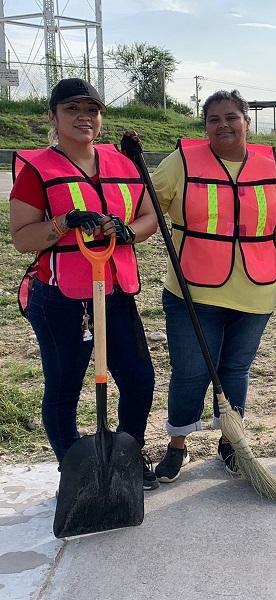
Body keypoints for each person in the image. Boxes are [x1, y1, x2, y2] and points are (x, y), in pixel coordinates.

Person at [9, 78, 159, 489]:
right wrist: (62, 223)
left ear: (101, 117)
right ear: (53, 117)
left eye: (91, 109)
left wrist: (128, 231)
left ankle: (127, 459)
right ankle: (75, 470)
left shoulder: (124, 164)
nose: (83, 117)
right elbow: (22, 238)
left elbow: (148, 216)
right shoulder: (38, 169)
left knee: (139, 379)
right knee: (64, 386)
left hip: (114, 293)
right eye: (72, 109)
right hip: (59, 298)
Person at [149, 90, 276, 482]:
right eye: (214, 119)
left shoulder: (272, 170)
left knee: (235, 369)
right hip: (192, 292)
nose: (223, 125)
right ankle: (177, 444)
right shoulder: (180, 163)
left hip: (256, 291)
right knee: (191, 371)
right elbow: (146, 205)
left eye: (231, 117)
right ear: (205, 127)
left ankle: (231, 443)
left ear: (247, 122)